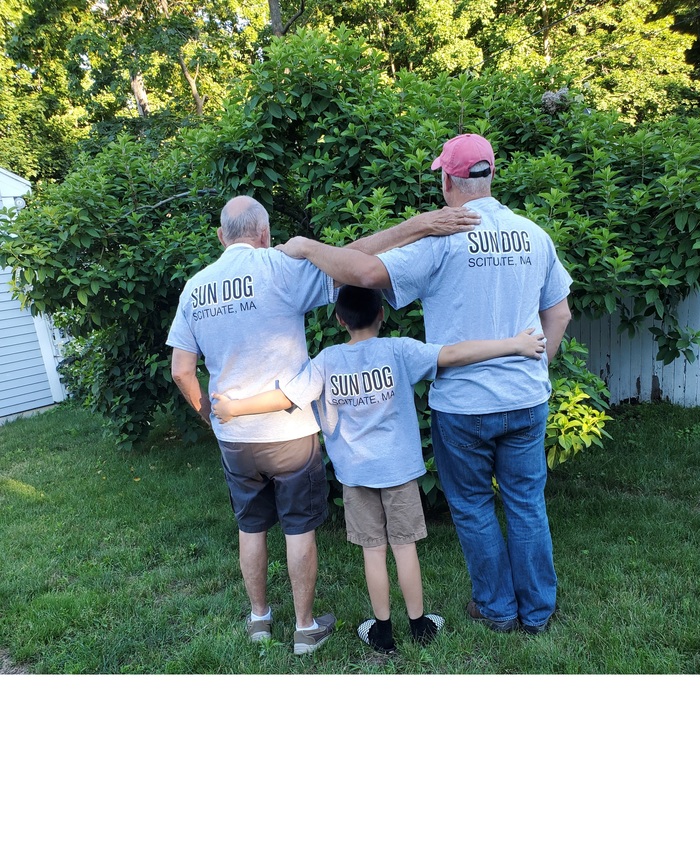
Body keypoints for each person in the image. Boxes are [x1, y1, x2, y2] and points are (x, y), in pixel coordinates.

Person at [274, 134, 573, 635]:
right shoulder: (534, 235)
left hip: (462, 404)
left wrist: (307, 247)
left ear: (447, 180)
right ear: (491, 175)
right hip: (525, 397)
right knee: (526, 503)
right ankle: (537, 611)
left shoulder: (442, 241)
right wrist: (537, 372)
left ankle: (498, 610)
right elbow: (559, 312)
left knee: (475, 506)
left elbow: (365, 271)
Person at [167, 195, 481, 654]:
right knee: (298, 528)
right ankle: (304, 627)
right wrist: (420, 225)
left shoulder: (195, 287)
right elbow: (354, 259)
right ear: (265, 235)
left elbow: (181, 370)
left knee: (250, 528)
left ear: (221, 237)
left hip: (235, 435)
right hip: (290, 433)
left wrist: (212, 416)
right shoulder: (277, 267)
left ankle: (259, 619)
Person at [211, 284, 547, 652]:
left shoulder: (326, 360)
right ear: (382, 315)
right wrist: (513, 344)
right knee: (405, 549)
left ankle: (382, 632)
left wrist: (233, 409)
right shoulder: (399, 349)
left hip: (356, 477)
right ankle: (419, 626)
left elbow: (285, 397)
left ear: (340, 320)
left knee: (374, 552)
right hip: (399, 473)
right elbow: (454, 354)